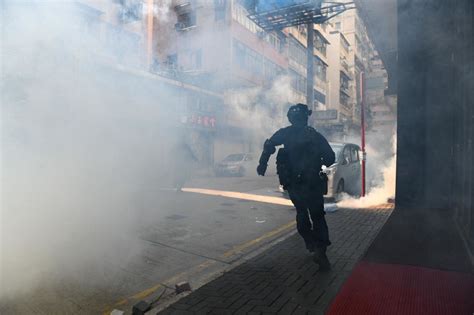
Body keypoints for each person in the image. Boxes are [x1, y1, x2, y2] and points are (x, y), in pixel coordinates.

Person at [257, 103, 335, 270]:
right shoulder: (314, 135)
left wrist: (262, 164)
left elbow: (268, 145)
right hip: (313, 183)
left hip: (294, 184)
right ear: (306, 118)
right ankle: (320, 250)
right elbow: (330, 158)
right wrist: (319, 160)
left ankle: (311, 244)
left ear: (290, 118)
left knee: (301, 213)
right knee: (318, 216)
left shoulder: (285, 133)